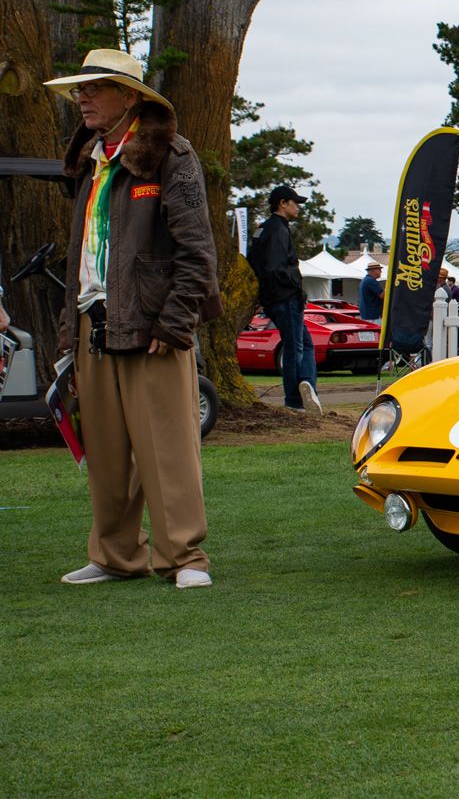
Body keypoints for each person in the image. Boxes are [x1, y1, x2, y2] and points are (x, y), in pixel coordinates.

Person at [44, 49, 222, 589]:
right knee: (105, 452)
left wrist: (173, 324)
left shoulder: (171, 153)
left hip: (153, 330)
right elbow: (83, 256)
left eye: (94, 88)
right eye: (79, 89)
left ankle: (184, 558)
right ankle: (116, 556)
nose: (82, 98)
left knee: (168, 449)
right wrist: (66, 336)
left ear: (129, 96)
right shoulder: (93, 159)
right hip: (92, 324)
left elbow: (198, 251)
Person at [247, 185, 322, 415]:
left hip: (272, 299)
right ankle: (295, 398)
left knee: (304, 344)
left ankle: (307, 384)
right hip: (286, 298)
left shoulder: (262, 230)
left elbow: (256, 261)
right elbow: (276, 267)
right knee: (295, 348)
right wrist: (296, 285)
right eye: (295, 202)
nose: (297, 207)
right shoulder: (279, 230)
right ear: (282, 203)